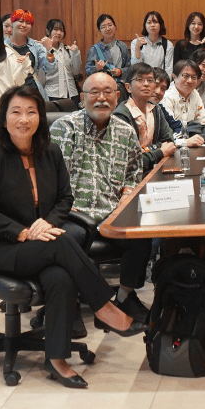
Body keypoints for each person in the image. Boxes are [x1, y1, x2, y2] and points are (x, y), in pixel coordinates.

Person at [0, 84, 144, 389]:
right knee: (64, 241)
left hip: (44, 243)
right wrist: (25, 232)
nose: (24, 119)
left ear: (40, 117)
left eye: (31, 112)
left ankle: (57, 360)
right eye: (16, 112)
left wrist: (45, 225)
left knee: (60, 277)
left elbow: (65, 198)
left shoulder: (50, 153)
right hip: (3, 249)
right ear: (3, 119)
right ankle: (105, 308)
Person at [51, 72, 149, 314]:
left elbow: (134, 172)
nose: (101, 98)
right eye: (94, 92)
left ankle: (125, 295)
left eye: (108, 92)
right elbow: (48, 177)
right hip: (71, 213)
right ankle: (67, 303)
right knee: (68, 237)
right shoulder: (63, 128)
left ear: (117, 98)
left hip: (110, 212)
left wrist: (127, 194)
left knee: (142, 230)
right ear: (82, 98)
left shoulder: (125, 132)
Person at [163, 60, 205, 133]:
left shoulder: (194, 93)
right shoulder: (166, 97)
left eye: (194, 77)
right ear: (174, 76)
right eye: (185, 76)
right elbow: (170, 129)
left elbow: (202, 118)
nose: (190, 81)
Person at [40, 19, 81, 111]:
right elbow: (42, 76)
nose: (59, 32)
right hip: (52, 95)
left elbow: (76, 71)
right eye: (55, 29)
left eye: (61, 30)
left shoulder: (67, 50)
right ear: (47, 31)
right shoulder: (41, 50)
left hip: (72, 94)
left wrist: (76, 54)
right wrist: (49, 49)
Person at [86, 14, 129, 81]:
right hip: (103, 86)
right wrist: (96, 68)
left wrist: (120, 71)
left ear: (115, 27)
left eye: (110, 25)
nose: (108, 29)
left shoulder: (122, 46)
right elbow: (87, 72)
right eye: (103, 27)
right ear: (99, 31)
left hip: (121, 86)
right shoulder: (94, 49)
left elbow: (129, 68)